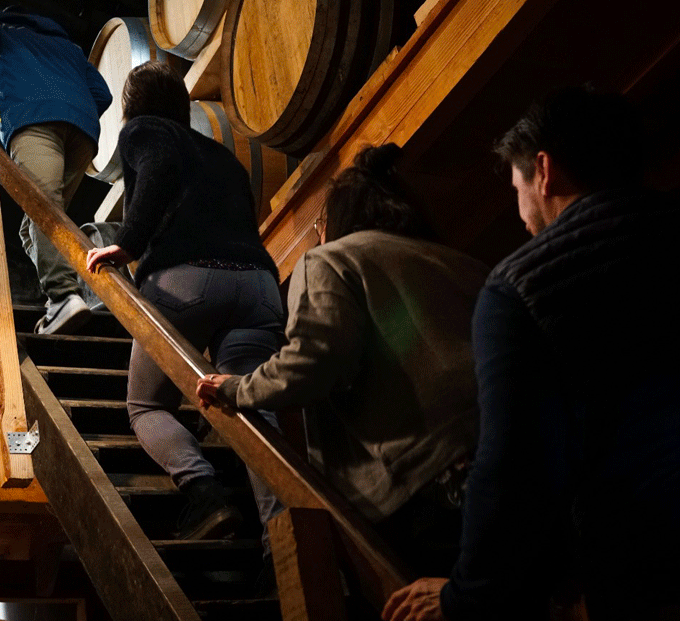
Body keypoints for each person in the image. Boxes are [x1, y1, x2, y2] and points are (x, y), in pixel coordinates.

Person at [383, 87, 680, 621]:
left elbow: (514, 469)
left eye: (515, 186)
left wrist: (467, 594)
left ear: (543, 170)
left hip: (648, 568)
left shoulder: (522, 288)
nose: (520, 214)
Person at [196, 143, 489, 578]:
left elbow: (316, 358)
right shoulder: (461, 263)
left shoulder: (332, 259)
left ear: (333, 220)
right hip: (517, 453)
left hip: (431, 476)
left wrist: (238, 388)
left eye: (319, 224)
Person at [85, 61, 286, 550]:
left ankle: (205, 491)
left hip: (186, 281)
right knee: (251, 408)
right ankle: (282, 540)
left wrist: (128, 244)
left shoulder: (145, 131)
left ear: (132, 106)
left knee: (146, 405)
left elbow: (158, 169)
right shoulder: (223, 157)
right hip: (258, 286)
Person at [0, 6, 112, 335]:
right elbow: (102, 94)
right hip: (83, 133)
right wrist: (71, 107)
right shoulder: (69, 49)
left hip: (34, 122)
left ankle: (64, 296)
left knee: (43, 208)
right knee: (33, 227)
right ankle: (66, 290)